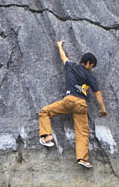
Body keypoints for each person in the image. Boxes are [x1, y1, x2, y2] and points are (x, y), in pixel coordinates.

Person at [38, 40, 107, 169]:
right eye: (91, 65)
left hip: (69, 100)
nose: (91, 68)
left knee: (45, 111)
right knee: (82, 132)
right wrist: (103, 109)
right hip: (81, 104)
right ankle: (83, 159)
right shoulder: (90, 76)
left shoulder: (71, 66)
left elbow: (63, 57)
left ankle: (47, 136)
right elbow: (98, 93)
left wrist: (59, 45)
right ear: (87, 63)